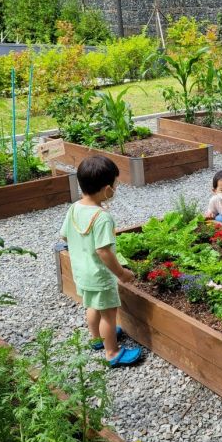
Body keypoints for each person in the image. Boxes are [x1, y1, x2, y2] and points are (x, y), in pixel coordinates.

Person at [60, 155, 142, 368]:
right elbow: (104, 251)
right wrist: (122, 274)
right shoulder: (102, 217)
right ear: (107, 189)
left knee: (92, 306)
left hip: (81, 271)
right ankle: (112, 352)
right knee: (108, 314)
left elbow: (64, 236)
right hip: (99, 276)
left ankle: (96, 339)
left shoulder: (74, 208)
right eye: (116, 184)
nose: (116, 188)